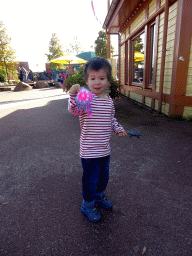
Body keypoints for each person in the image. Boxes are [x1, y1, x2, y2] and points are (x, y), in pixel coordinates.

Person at [68, 57, 127, 222]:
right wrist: (73, 94)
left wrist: (118, 128)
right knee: (90, 180)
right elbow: (74, 110)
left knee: (103, 177)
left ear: (107, 80)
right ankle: (87, 205)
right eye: (92, 78)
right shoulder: (86, 98)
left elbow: (111, 120)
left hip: (104, 150)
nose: (97, 82)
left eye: (101, 78)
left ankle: (99, 197)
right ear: (87, 80)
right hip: (89, 151)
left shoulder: (109, 101)